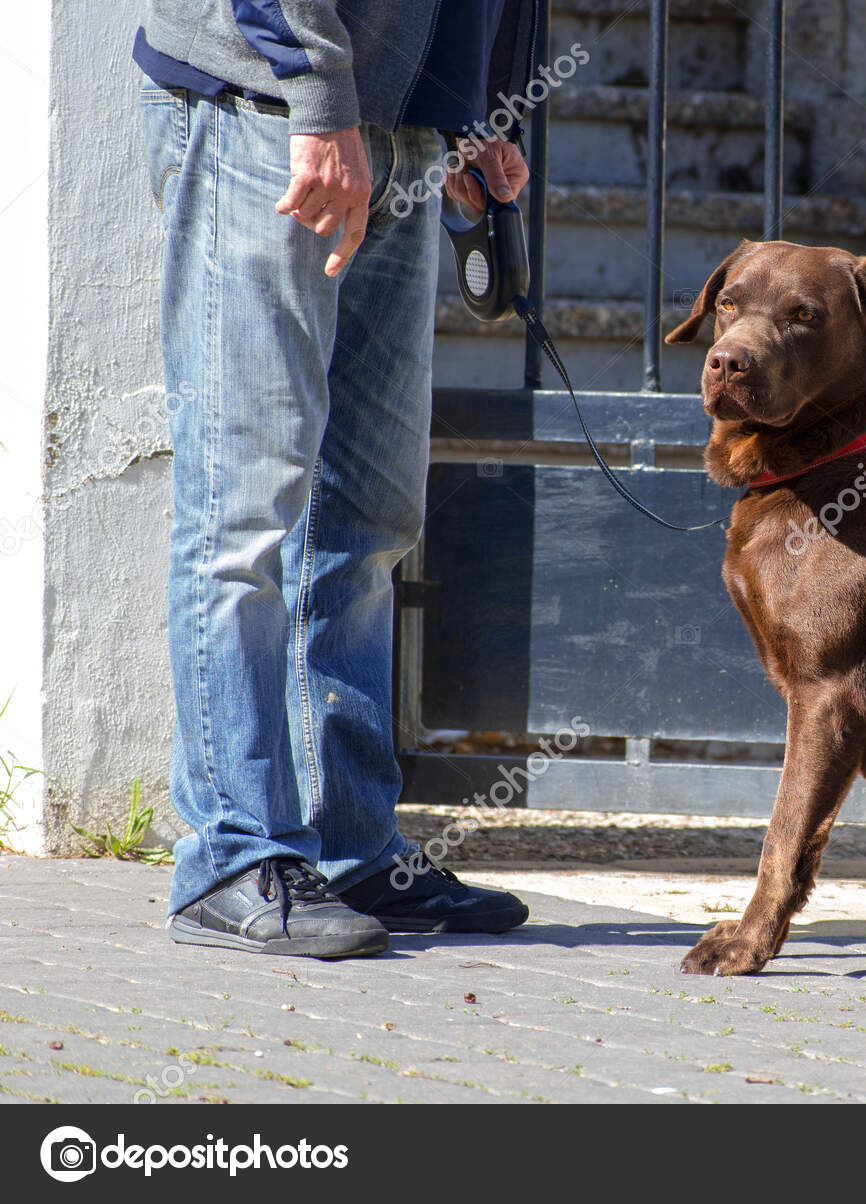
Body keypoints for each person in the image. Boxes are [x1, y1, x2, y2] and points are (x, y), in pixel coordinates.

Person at [135, 1, 537, 958]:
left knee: (369, 516)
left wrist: (470, 109)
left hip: (397, 126)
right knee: (246, 506)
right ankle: (234, 858)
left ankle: (353, 850)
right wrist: (317, 100)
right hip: (271, 111)